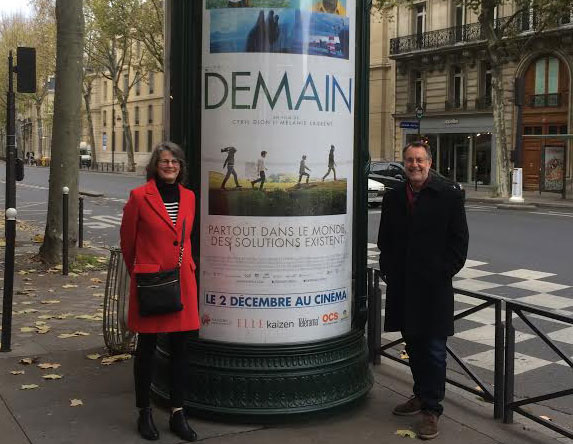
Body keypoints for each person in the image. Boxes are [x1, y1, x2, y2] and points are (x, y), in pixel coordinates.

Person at [377, 141, 468, 440]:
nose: (414, 165)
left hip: (433, 287)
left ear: (429, 162)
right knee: (413, 345)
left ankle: (431, 409)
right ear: (404, 163)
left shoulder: (448, 194)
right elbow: (385, 241)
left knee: (434, 349)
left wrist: (441, 273)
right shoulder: (393, 197)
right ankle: (419, 395)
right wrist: (390, 270)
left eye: (419, 160)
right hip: (404, 284)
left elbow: (459, 243)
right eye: (409, 160)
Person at [120, 142, 200, 442]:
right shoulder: (139, 197)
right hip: (151, 284)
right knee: (147, 351)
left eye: (175, 161)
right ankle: (144, 412)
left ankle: (178, 413)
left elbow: (187, 238)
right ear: (155, 165)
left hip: (182, 282)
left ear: (181, 167)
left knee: (180, 350)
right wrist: (140, 272)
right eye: (164, 161)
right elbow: (127, 242)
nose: (170, 165)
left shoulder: (189, 197)